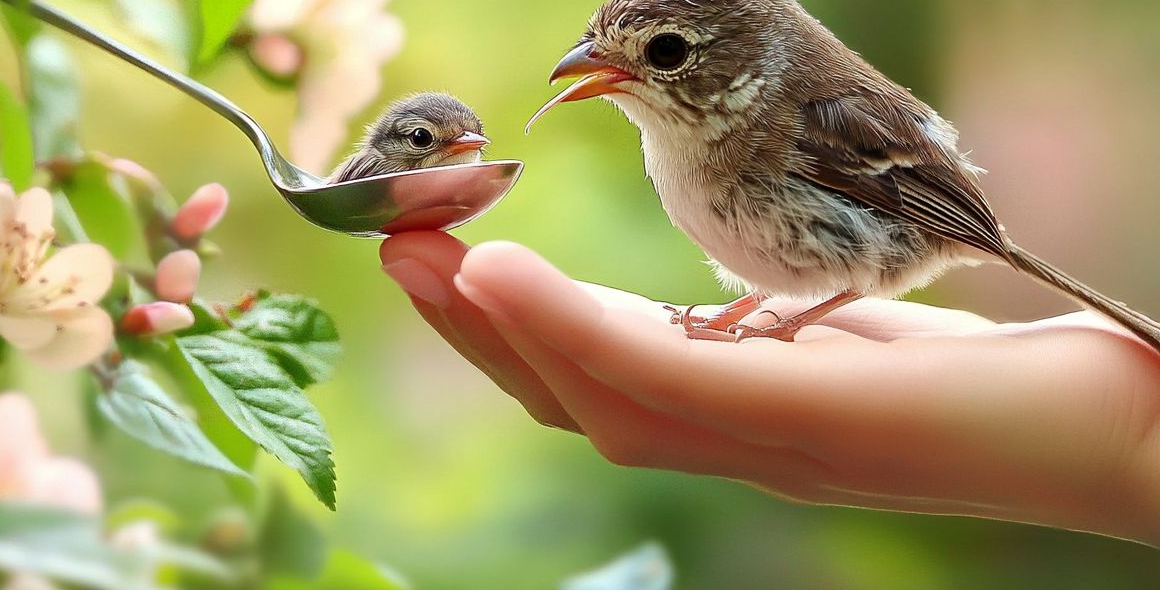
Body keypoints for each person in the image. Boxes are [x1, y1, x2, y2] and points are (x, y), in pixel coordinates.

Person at [380, 231, 1160, 546]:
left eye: (666, 56)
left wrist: (1127, 446)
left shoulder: (782, 124)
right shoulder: (681, 150)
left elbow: (869, 260)